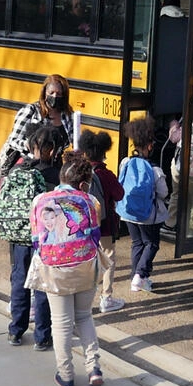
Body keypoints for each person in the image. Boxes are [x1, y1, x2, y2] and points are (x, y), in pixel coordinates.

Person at [27, 151, 104, 386]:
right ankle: (94, 369)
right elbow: (95, 234)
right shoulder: (91, 202)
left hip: (55, 270)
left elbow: (35, 239)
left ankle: (66, 375)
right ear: (83, 184)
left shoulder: (40, 201)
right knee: (84, 317)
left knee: (60, 324)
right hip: (85, 267)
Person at [0, 125, 58, 350]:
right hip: (41, 240)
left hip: (17, 236)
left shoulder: (17, 169)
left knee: (19, 281)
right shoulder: (51, 174)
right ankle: (42, 336)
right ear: (51, 149)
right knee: (41, 285)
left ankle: (15, 331)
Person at [0, 74, 74, 189]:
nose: (55, 96)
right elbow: (13, 140)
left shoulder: (68, 115)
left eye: (59, 94)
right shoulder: (30, 111)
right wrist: (29, 145)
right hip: (30, 164)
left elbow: (74, 141)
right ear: (44, 93)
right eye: (51, 93)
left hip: (55, 165)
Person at [117, 117, 169, 293]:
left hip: (128, 213)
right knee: (152, 244)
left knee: (137, 243)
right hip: (148, 216)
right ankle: (141, 274)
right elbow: (163, 193)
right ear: (149, 146)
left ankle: (136, 278)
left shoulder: (126, 162)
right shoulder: (155, 170)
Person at [77, 129, 126, 313]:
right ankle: (106, 298)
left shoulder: (79, 173)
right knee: (108, 260)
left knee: (86, 261)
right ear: (103, 152)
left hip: (82, 226)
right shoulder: (106, 175)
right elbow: (119, 194)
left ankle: (83, 300)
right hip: (104, 225)